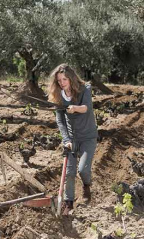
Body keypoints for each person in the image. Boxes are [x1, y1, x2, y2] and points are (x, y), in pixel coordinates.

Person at [48, 63, 98, 216]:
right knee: (69, 172)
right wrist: (66, 139)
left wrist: (75, 108)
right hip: (72, 138)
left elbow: (86, 107)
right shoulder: (58, 97)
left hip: (88, 137)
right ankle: (69, 203)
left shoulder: (85, 89)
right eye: (59, 80)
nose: (62, 83)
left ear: (71, 78)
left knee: (83, 169)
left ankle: (86, 185)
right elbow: (60, 121)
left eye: (65, 79)